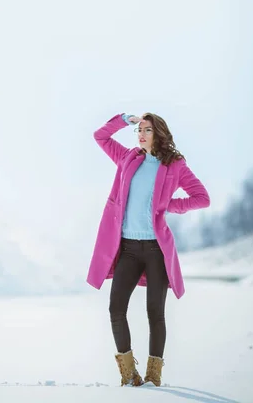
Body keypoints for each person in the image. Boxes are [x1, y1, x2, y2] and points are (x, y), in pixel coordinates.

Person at [86, 112, 210, 387]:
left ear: (159, 133)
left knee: (155, 312)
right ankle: (129, 375)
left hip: (156, 251)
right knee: (115, 308)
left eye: (147, 130)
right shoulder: (128, 158)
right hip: (128, 249)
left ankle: (154, 377)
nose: (141, 134)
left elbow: (202, 198)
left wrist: (168, 207)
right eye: (138, 130)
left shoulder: (174, 165)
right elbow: (100, 136)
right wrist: (123, 120)